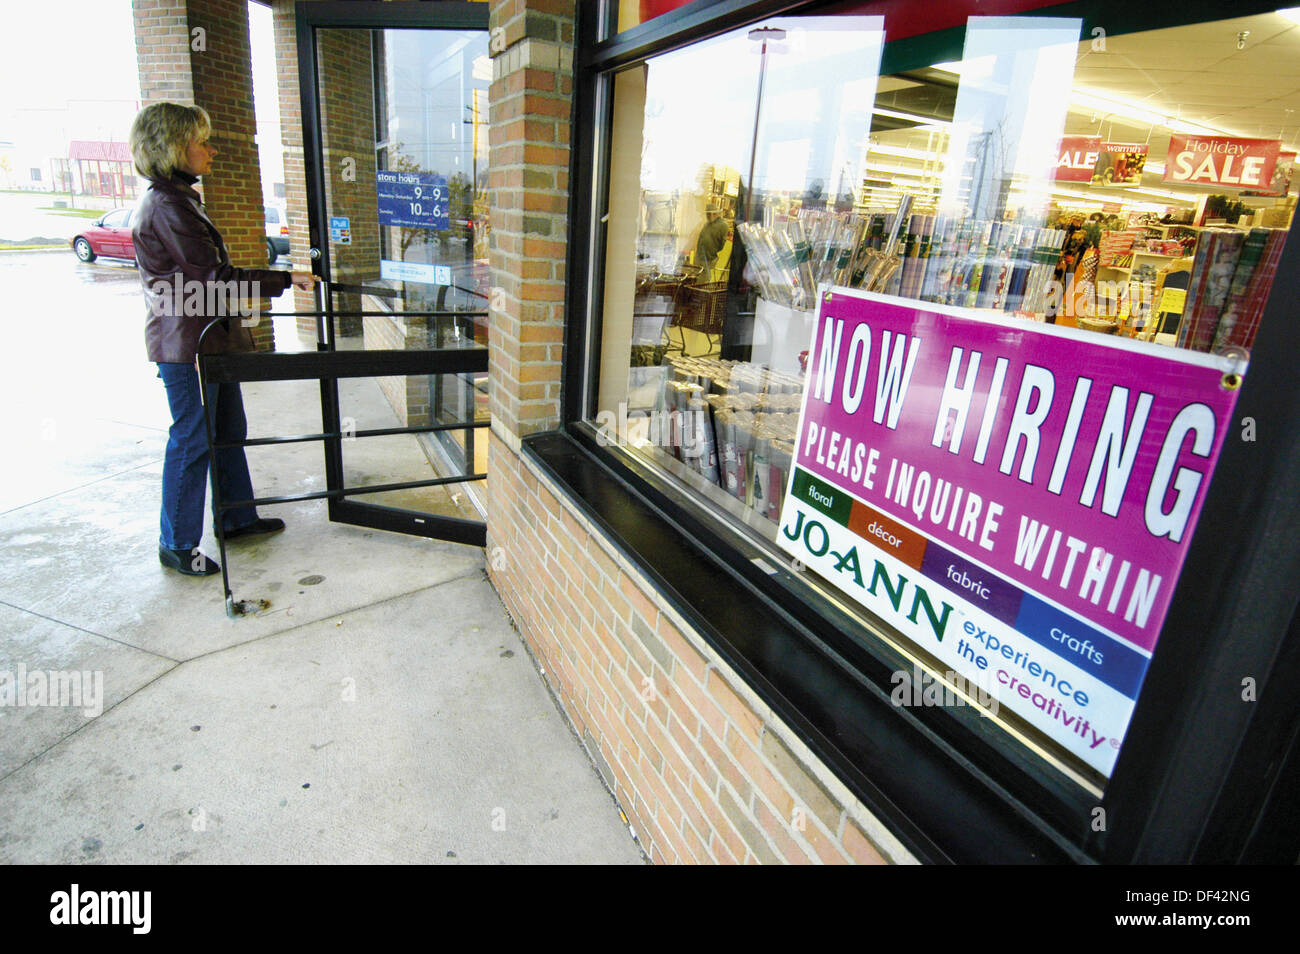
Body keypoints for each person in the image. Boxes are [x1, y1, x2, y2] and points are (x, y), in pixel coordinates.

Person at [129, 102, 317, 576]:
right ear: (174, 147)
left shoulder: (180, 200)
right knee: (193, 440)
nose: (211, 151)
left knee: (228, 432)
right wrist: (285, 279)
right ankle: (176, 544)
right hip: (188, 347)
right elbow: (216, 279)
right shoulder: (168, 205)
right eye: (202, 142)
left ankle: (235, 517)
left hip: (208, 342)